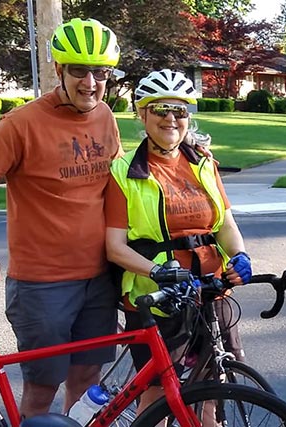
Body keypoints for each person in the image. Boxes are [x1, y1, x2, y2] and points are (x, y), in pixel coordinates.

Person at [0, 18, 122, 416]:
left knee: (87, 381)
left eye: (101, 72)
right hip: (43, 284)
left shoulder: (106, 117)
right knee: (42, 389)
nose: (91, 83)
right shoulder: (21, 124)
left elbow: (116, 186)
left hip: (98, 277)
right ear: (59, 70)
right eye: (79, 71)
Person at [103, 69, 252, 410]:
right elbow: (115, 247)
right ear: (142, 114)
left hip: (211, 291)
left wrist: (239, 255)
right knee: (157, 396)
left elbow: (225, 225)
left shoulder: (203, 163)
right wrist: (159, 273)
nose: (171, 119)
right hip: (160, 298)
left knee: (213, 389)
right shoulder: (125, 171)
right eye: (160, 110)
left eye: (180, 111)